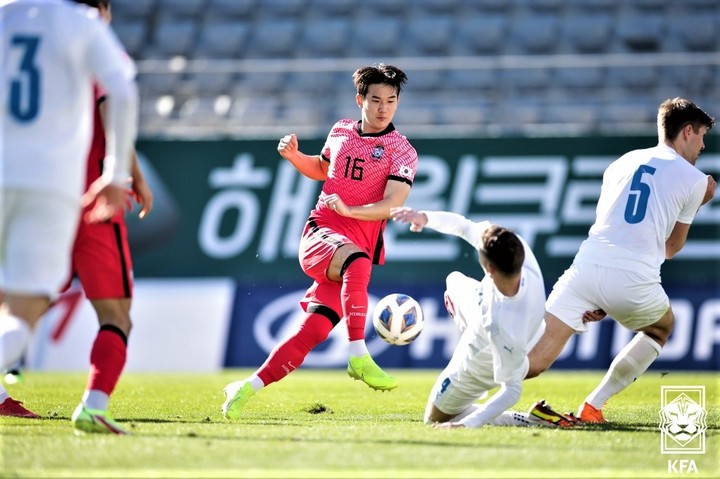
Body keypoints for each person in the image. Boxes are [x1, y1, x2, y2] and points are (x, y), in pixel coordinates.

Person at [222, 64, 418, 420]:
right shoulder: (341, 130)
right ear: (360, 99)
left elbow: (392, 205)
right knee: (358, 261)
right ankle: (358, 354)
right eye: (375, 100)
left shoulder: (402, 151)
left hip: (351, 247)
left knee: (310, 333)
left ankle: (244, 388)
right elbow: (322, 169)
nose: (383, 108)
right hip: (321, 234)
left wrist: (350, 208)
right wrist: (295, 157)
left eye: (391, 101)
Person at [526, 97, 716, 423]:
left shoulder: (621, 162)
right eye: (701, 136)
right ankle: (593, 405)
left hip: (585, 268)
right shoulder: (695, 180)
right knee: (661, 328)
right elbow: (671, 248)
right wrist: (701, 202)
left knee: (533, 362)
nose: (702, 146)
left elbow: (608, 224)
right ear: (687, 131)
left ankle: (462, 384)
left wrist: (600, 292)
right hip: (633, 276)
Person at [0, 0, 138, 422]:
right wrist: (119, 174)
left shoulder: (5, 14)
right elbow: (121, 91)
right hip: (59, 187)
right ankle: (93, 408)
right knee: (32, 308)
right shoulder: (81, 24)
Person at [390, 207, 576, 429]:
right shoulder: (512, 245)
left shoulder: (502, 325)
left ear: (489, 269)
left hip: (481, 359)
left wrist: (468, 424)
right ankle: (467, 325)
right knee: (454, 281)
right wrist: (425, 218)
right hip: (513, 322)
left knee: (434, 419)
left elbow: (511, 391)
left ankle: (532, 420)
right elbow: (464, 226)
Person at [63, 0, 152, 435]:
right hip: (93, 202)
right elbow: (112, 108)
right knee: (117, 316)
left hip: (40, 197)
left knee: (20, 308)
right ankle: (94, 405)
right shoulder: (99, 49)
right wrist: (128, 176)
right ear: (103, 9)